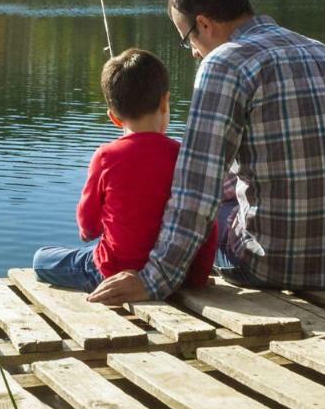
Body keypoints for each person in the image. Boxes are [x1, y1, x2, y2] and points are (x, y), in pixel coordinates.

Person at [88, 0, 325, 304]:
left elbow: (195, 192)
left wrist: (154, 279)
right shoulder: (322, 52)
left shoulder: (223, 63)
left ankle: (101, 264)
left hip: (277, 266)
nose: (194, 53)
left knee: (167, 208)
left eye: (187, 40)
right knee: (219, 189)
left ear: (204, 24)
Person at [32, 48, 217, 293]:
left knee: (41, 259)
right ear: (165, 102)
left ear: (114, 118)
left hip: (112, 271)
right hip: (177, 272)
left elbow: (88, 227)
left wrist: (91, 230)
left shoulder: (106, 156)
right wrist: (198, 277)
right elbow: (207, 224)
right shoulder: (184, 155)